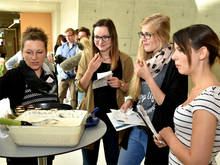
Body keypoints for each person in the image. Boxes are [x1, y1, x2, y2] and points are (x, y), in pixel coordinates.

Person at [118, 13, 188, 165]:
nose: (143, 39)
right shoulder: (146, 58)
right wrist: (131, 100)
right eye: (142, 34)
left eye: (148, 35)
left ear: (162, 35)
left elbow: (171, 105)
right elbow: (141, 91)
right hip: (137, 127)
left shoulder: (176, 63)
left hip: (159, 135)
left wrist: (148, 78)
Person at [154, 24, 220, 165]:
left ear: (202, 53)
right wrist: (172, 140)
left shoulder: (208, 99)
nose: (173, 57)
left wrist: (170, 136)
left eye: (180, 50)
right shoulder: (198, 91)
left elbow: (197, 162)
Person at [75, 18, 134, 165]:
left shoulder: (125, 60)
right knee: (89, 161)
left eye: (105, 37)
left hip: (115, 119)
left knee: (113, 159)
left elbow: (132, 89)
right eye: (96, 37)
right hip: (92, 115)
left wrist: (120, 84)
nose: (100, 41)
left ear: (113, 37)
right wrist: (90, 70)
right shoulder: (88, 56)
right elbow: (80, 86)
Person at [0, 27, 58, 165]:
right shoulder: (14, 76)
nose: (34, 57)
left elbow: (56, 104)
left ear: (46, 53)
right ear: (21, 53)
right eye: (29, 52)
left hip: (48, 143)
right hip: (22, 148)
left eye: (39, 52)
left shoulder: (51, 75)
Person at [56, 28, 79, 109]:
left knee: (73, 98)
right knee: (59, 96)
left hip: (73, 77)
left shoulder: (78, 47)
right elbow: (58, 63)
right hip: (64, 76)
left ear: (74, 35)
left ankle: (73, 113)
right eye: (66, 36)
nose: (68, 38)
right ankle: (58, 111)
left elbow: (79, 61)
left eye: (70, 35)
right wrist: (62, 73)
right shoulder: (61, 48)